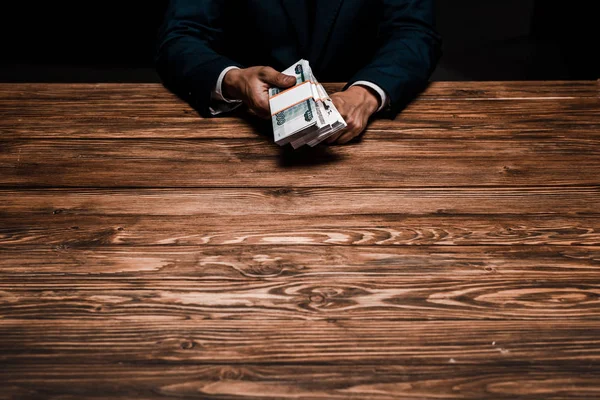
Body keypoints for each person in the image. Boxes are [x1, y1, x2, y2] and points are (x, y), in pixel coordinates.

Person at [155, 0, 441, 144]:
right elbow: (180, 35)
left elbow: (414, 31)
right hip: (238, 137)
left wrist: (366, 93)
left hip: (368, 138)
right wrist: (233, 79)